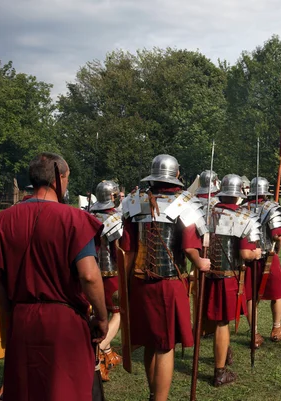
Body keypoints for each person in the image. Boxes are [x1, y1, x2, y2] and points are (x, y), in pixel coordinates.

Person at [0, 152, 108, 401]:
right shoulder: (74, 219)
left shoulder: (1, 221)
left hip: (21, 319)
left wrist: (10, 320)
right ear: (58, 179)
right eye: (67, 178)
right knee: (66, 392)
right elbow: (89, 276)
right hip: (64, 323)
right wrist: (102, 317)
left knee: (26, 391)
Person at [121, 154, 210, 401]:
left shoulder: (133, 202)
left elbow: (126, 251)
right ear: (177, 175)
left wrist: (125, 286)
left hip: (138, 283)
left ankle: (153, 395)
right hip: (168, 284)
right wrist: (201, 263)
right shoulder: (186, 203)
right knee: (165, 345)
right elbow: (191, 249)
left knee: (151, 342)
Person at [203, 174, 261, 386]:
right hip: (227, 277)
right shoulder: (243, 218)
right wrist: (256, 254)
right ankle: (219, 372)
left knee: (216, 319)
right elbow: (246, 254)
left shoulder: (206, 213)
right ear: (238, 195)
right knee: (222, 321)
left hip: (207, 273)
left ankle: (224, 353)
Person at [244, 177, 281, 346]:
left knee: (251, 296)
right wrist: (278, 247)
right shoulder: (271, 208)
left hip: (248, 258)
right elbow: (277, 235)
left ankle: (254, 333)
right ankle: (277, 328)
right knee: (276, 294)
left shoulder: (243, 208)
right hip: (268, 257)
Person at [89, 180, 126, 381]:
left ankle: (108, 351)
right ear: (112, 197)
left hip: (90, 270)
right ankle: (98, 350)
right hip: (110, 272)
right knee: (118, 314)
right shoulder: (114, 219)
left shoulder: (87, 214)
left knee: (97, 311)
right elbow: (119, 250)